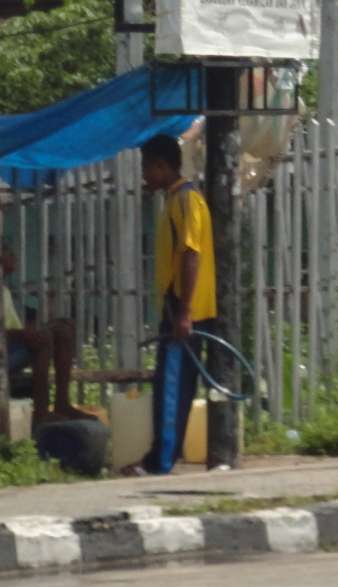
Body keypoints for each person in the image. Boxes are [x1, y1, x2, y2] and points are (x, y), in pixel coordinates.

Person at [121, 132, 217, 476]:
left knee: (172, 388)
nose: (145, 176)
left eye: (147, 168)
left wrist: (185, 311)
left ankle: (159, 463)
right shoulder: (176, 200)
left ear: (161, 166)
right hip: (178, 307)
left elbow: (191, 254)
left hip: (184, 309)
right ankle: (159, 458)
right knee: (172, 386)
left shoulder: (186, 201)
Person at [0, 191, 81, 428]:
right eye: (7, 252)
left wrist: (28, 332)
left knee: (64, 328)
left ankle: (61, 403)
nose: (13, 257)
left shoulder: (2, 291)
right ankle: (40, 411)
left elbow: (12, 331)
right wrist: (26, 334)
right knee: (43, 338)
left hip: (3, 351)